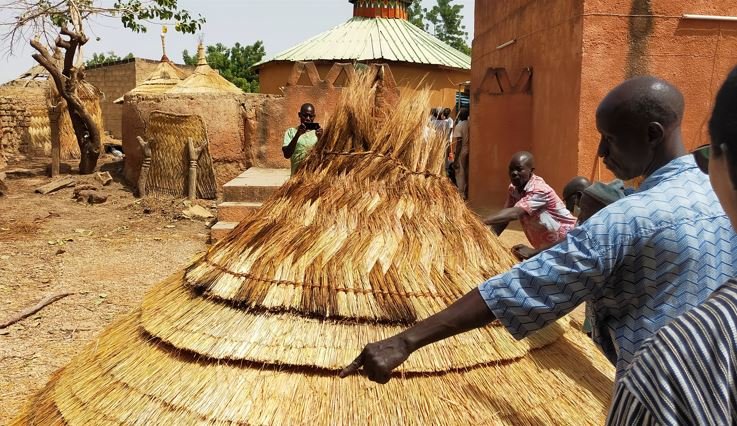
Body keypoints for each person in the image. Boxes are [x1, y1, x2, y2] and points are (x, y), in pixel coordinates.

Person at [339, 76, 737, 385]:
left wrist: (404, 341)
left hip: (660, 397)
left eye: (611, 139)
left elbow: (523, 288)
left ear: (652, 134)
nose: (601, 152)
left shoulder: (626, 220)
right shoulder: (721, 193)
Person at [607, 68, 737, 426]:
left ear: (725, 165)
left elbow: (528, 286)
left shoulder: (670, 366)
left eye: (708, 156)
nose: (602, 151)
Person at [511, 179, 625, 260]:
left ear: (578, 196)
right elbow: (570, 238)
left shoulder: (596, 219)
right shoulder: (586, 218)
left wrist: (535, 253)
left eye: (566, 200)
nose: (566, 206)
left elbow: (571, 242)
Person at [484, 151, 577, 250]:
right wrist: (487, 240)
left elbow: (515, 213)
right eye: (511, 169)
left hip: (568, 243)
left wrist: (481, 221)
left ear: (531, 171)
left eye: (519, 169)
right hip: (547, 248)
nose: (514, 173)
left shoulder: (539, 189)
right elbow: (504, 219)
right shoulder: (513, 189)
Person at [282, 103, 323, 175]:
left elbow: (325, 155)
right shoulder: (291, 132)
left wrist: (321, 138)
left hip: (314, 177)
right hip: (296, 176)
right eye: (305, 115)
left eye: (311, 116)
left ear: (314, 116)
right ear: (299, 115)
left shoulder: (318, 133)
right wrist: (297, 135)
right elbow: (287, 154)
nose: (308, 118)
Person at [453, 108, 470, 199]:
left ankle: (462, 193)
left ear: (459, 116)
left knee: (460, 172)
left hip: (462, 150)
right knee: (467, 171)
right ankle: (467, 191)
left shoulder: (459, 126)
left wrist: (455, 159)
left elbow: (459, 143)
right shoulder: (470, 123)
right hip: (470, 149)